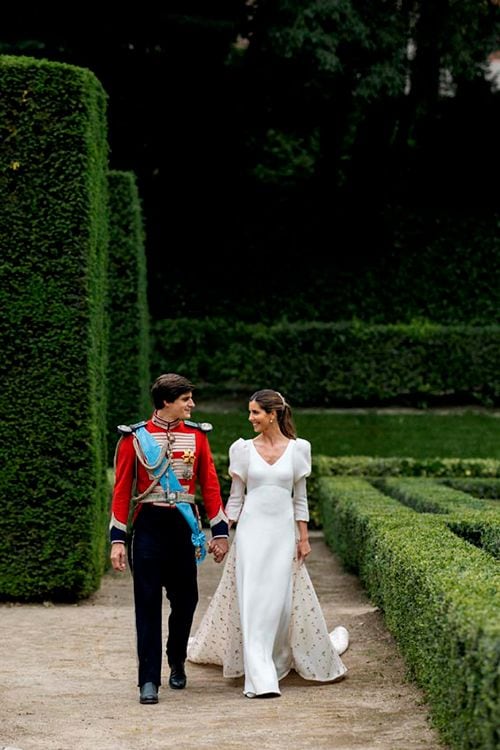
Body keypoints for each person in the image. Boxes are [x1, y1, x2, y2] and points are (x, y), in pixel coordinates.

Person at [188, 389, 348, 698]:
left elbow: (299, 500)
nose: (250, 418)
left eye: (255, 413)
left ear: (272, 414)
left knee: (278, 603)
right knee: (253, 601)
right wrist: (221, 533)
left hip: (282, 535)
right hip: (250, 535)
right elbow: (235, 500)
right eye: (250, 413)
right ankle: (260, 678)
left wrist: (303, 538)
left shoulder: (300, 449)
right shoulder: (242, 450)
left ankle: (275, 660)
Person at [109, 373, 229, 705]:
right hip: (148, 526)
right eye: (186, 399)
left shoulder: (197, 436)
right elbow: (122, 491)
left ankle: (176, 658)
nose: (192, 404)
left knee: (186, 600)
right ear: (167, 402)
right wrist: (118, 540)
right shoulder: (134, 438)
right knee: (146, 606)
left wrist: (219, 533)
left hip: (182, 528)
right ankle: (148, 680)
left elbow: (210, 484)